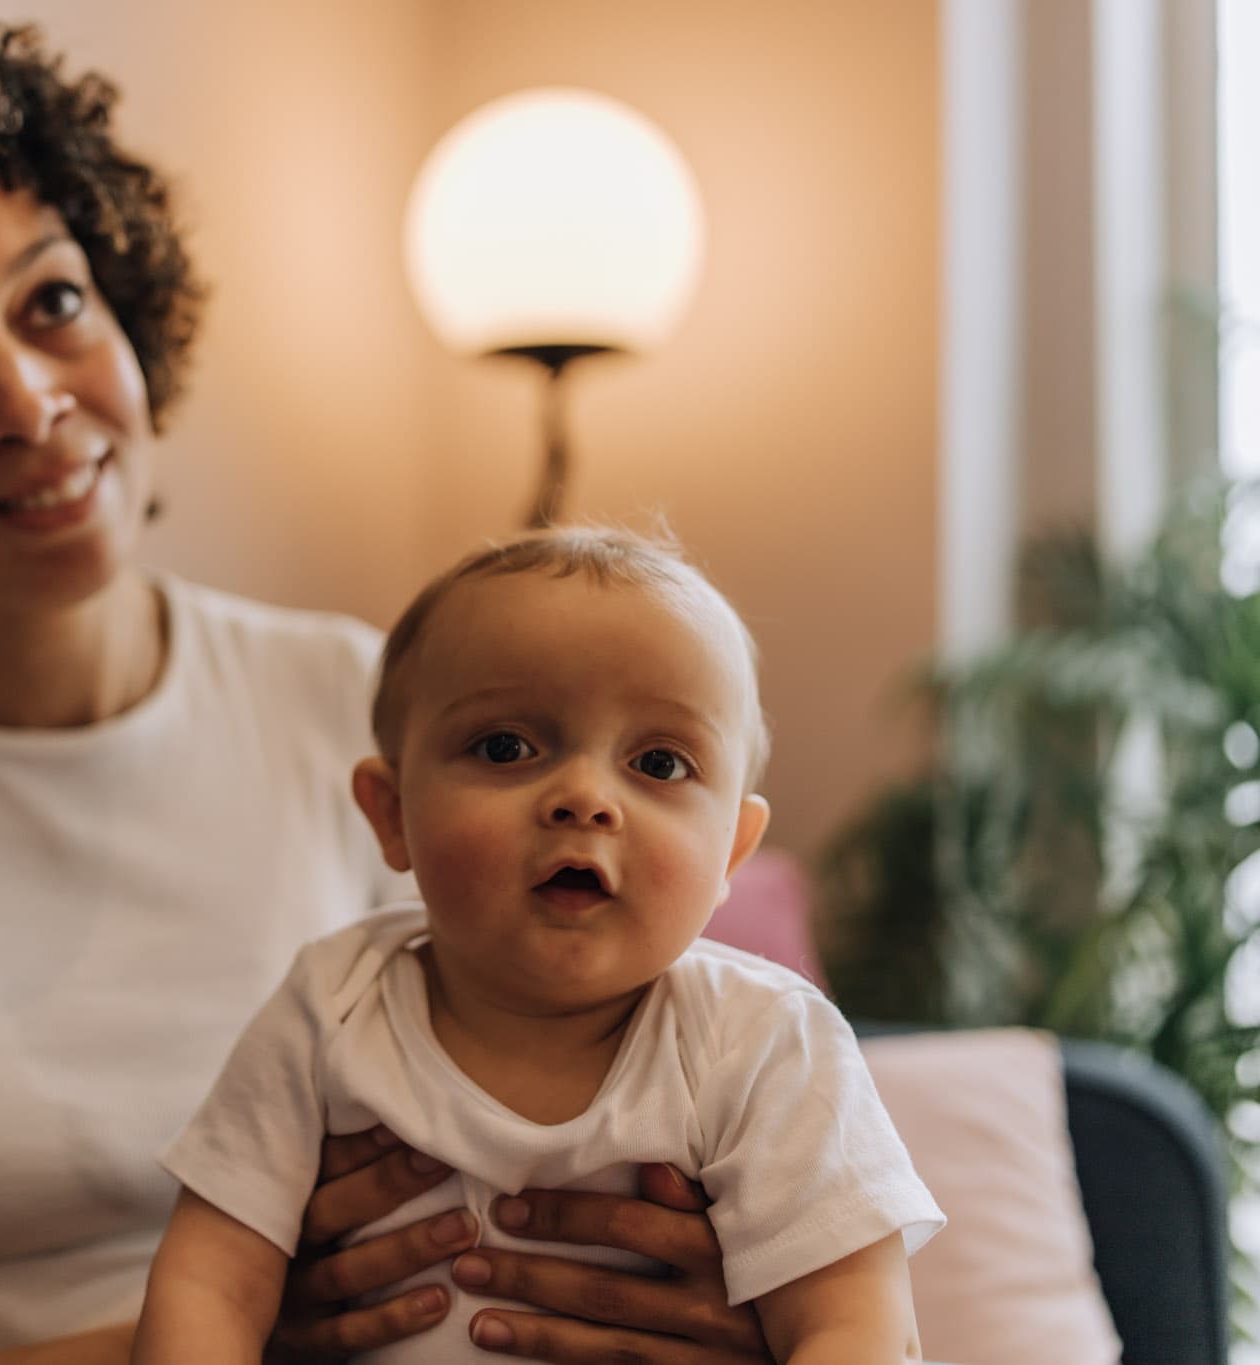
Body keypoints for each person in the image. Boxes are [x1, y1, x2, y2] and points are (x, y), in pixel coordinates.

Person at [0, 2, 780, 1361]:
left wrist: (699, 1289)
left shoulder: (355, 695)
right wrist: (232, 1331)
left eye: (53, 302)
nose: (27, 401)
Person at [135, 528, 946, 1364]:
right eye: (505, 747)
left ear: (732, 851)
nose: (585, 797)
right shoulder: (330, 1003)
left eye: (660, 762)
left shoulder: (765, 1041)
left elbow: (857, 1327)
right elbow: (210, 1283)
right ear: (390, 814)